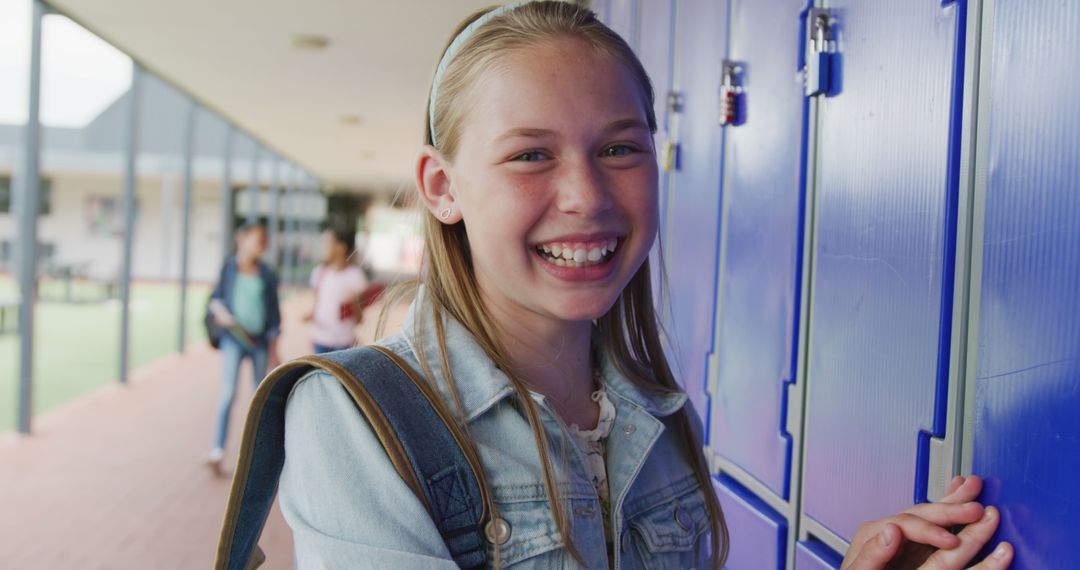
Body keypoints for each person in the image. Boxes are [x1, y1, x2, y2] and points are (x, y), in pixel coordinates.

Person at [275, 2, 1013, 568]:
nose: (586, 195)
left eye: (620, 148)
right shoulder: (357, 418)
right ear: (441, 187)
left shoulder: (654, 414)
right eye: (532, 154)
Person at [206, 220, 282, 476]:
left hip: (259, 341)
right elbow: (216, 299)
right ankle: (217, 450)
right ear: (243, 237)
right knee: (228, 393)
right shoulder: (228, 269)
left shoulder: (268, 274)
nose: (262, 244)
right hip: (233, 340)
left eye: (265, 239)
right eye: (258, 238)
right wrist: (221, 313)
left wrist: (274, 349)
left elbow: (274, 315)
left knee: (258, 398)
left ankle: (255, 457)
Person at [303, 226, 369, 354]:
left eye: (328, 243)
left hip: (344, 342)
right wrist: (309, 315)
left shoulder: (356, 276)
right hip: (320, 339)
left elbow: (360, 317)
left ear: (341, 247)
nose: (323, 247)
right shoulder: (319, 272)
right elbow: (316, 305)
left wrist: (353, 303)